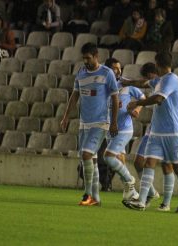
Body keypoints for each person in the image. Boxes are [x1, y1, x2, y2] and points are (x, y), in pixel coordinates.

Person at [124, 52, 178, 214]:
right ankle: (141, 201)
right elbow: (143, 83)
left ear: (159, 65)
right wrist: (125, 81)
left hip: (173, 132)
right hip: (156, 132)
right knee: (149, 163)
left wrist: (137, 103)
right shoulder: (158, 80)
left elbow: (158, 99)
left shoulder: (172, 79)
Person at [60, 42, 119, 206]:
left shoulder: (107, 73)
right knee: (90, 159)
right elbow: (74, 96)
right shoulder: (81, 73)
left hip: (100, 123)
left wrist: (113, 122)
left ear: (96, 56)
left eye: (88, 58)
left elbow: (115, 98)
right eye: (83, 58)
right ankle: (96, 198)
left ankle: (87, 194)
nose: (85, 61)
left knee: (86, 154)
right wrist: (66, 117)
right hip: (84, 124)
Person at [103, 57, 144, 202]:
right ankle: (135, 193)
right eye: (115, 68)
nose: (119, 71)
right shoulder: (103, 85)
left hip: (124, 128)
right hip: (109, 129)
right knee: (119, 161)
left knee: (110, 157)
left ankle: (131, 184)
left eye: (120, 68)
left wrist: (137, 109)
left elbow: (142, 96)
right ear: (108, 69)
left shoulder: (125, 84)